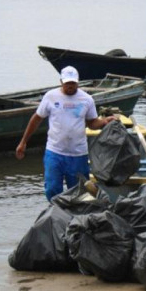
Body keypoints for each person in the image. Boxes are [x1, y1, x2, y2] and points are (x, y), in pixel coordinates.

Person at [16, 66, 118, 200]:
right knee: (52, 189)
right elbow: (36, 119)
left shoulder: (87, 99)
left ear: (78, 82)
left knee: (80, 192)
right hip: (55, 152)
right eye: (67, 83)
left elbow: (92, 123)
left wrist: (105, 121)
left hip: (78, 154)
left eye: (73, 83)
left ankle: (77, 216)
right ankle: (57, 214)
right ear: (61, 82)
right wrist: (23, 142)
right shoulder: (50, 97)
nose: (70, 86)